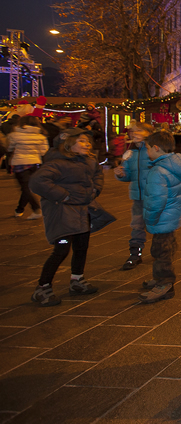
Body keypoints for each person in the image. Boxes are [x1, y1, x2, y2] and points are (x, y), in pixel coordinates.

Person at [28, 128, 104, 306]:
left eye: (87, 142)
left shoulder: (88, 161)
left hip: (82, 211)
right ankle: (43, 287)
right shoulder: (57, 163)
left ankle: (77, 280)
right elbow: (37, 181)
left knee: (81, 246)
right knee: (61, 249)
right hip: (63, 212)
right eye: (82, 141)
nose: (87, 144)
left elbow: (98, 175)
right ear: (69, 144)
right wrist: (63, 195)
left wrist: (94, 190)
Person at [138, 130, 181, 304]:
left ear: (156, 148)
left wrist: (150, 219)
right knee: (166, 248)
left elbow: (156, 201)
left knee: (161, 252)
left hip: (161, 218)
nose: (146, 152)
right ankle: (160, 278)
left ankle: (165, 284)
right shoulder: (174, 165)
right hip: (171, 216)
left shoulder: (158, 171)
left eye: (147, 148)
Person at [113, 122, 155, 270]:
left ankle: (160, 252)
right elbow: (128, 175)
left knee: (157, 225)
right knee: (137, 225)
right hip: (138, 196)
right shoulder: (130, 152)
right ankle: (135, 254)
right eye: (132, 131)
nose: (134, 133)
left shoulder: (154, 149)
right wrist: (121, 174)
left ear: (148, 133)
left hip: (155, 195)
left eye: (139, 130)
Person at [7, 115, 48, 219]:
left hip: (20, 162)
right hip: (34, 163)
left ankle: (36, 208)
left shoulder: (14, 135)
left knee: (25, 187)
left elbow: (9, 148)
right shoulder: (41, 136)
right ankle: (19, 209)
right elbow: (43, 151)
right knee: (26, 188)